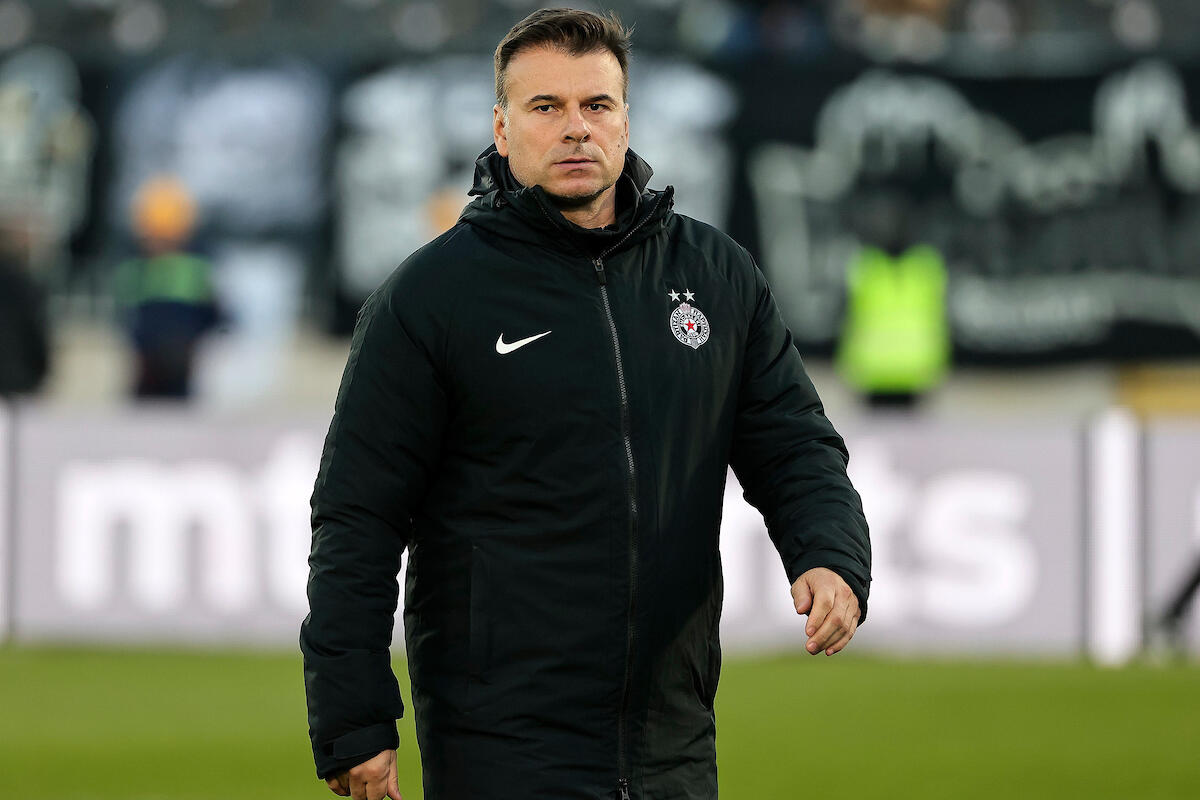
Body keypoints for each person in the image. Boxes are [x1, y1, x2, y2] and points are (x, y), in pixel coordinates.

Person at [301, 9, 871, 800]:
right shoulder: (430, 298)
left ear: (625, 120)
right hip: (503, 749)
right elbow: (356, 517)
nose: (576, 128)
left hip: (673, 743)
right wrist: (354, 715)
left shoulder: (715, 274)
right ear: (502, 128)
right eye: (546, 107)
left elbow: (794, 444)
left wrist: (829, 553)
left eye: (596, 105)